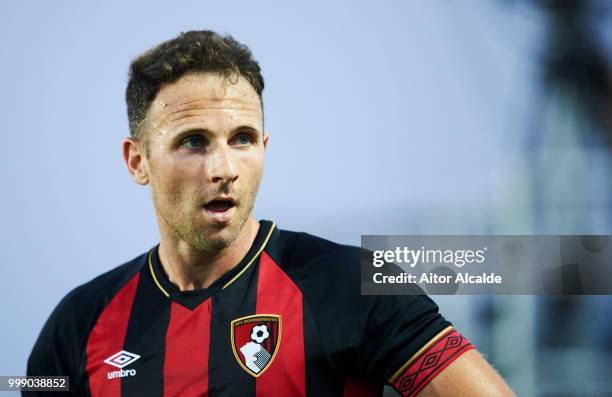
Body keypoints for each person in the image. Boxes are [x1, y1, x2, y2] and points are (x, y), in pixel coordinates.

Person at [25, 30, 515, 397]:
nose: (223, 169)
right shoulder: (78, 322)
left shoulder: (353, 281)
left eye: (242, 139)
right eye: (193, 142)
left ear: (264, 146)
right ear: (138, 162)